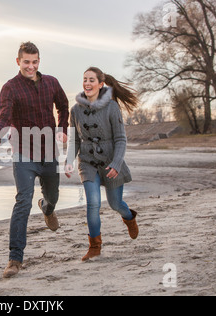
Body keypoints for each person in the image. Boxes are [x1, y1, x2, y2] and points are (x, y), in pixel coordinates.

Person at [0, 42, 69, 278]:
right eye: (26, 62)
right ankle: (15, 259)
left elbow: (64, 106)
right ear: (18, 62)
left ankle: (47, 209)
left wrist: (63, 128)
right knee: (23, 201)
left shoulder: (52, 83)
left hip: (48, 152)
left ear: (38, 62)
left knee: (53, 196)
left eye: (35, 62)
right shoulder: (10, 88)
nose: (31, 66)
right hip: (23, 152)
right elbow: (4, 117)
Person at [65, 67, 139, 261]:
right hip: (87, 162)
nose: (87, 83)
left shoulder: (112, 107)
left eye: (91, 80)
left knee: (115, 204)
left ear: (100, 84)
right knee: (93, 203)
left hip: (110, 161)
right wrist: (68, 161)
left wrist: (116, 164)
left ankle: (129, 217)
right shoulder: (75, 110)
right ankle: (95, 246)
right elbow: (74, 140)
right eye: (84, 79)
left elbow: (121, 139)